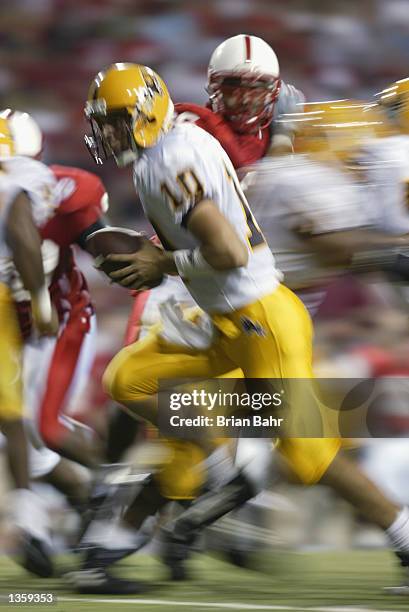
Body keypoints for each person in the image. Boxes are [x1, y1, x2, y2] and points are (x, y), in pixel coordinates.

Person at [70, 63, 409, 595]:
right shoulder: (165, 149)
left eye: (115, 121)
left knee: (308, 452)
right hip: (225, 318)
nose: (107, 133)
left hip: (261, 320)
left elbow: (228, 252)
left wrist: (161, 265)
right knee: (130, 377)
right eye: (103, 123)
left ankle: (404, 537)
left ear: (147, 114)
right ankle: (220, 461)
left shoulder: (170, 159)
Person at [0, 115, 59, 577]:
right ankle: (30, 524)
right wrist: (40, 299)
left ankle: (32, 523)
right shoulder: (24, 177)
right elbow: (21, 229)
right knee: (15, 418)